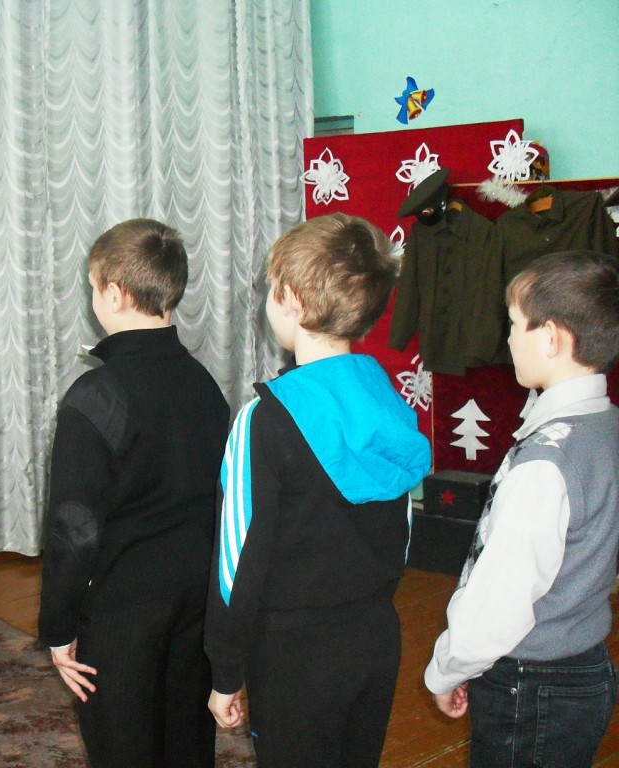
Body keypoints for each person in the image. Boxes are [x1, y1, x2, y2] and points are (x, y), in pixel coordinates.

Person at [205, 214, 431, 767]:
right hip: (375, 633)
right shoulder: (385, 399)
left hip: (294, 651)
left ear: (292, 300)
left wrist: (225, 669)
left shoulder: (263, 419)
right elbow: (401, 528)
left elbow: (238, 557)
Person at [38, 218, 230, 767]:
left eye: (93, 287)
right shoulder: (203, 383)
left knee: (123, 746)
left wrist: (58, 626)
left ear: (115, 294)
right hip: (198, 597)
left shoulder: (96, 396)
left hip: (124, 608)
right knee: (186, 741)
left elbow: (74, 528)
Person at [425, 250, 619, 768]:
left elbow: (502, 599)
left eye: (513, 324)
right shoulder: (605, 425)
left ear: (551, 337)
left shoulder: (547, 464)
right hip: (581, 665)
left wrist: (448, 668)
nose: (508, 338)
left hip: (531, 686)